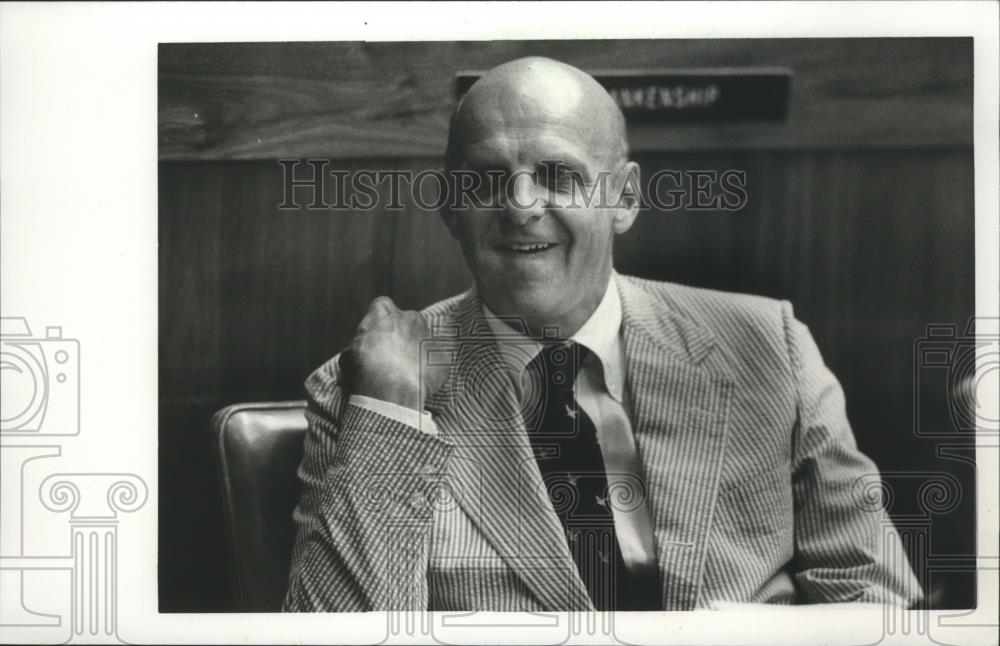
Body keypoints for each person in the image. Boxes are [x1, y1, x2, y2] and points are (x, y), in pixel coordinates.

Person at [283, 57, 922, 611]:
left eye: (559, 175)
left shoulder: (768, 347)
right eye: (486, 179)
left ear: (624, 197)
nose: (522, 205)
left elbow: (874, 600)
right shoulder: (362, 393)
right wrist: (389, 416)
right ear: (451, 206)